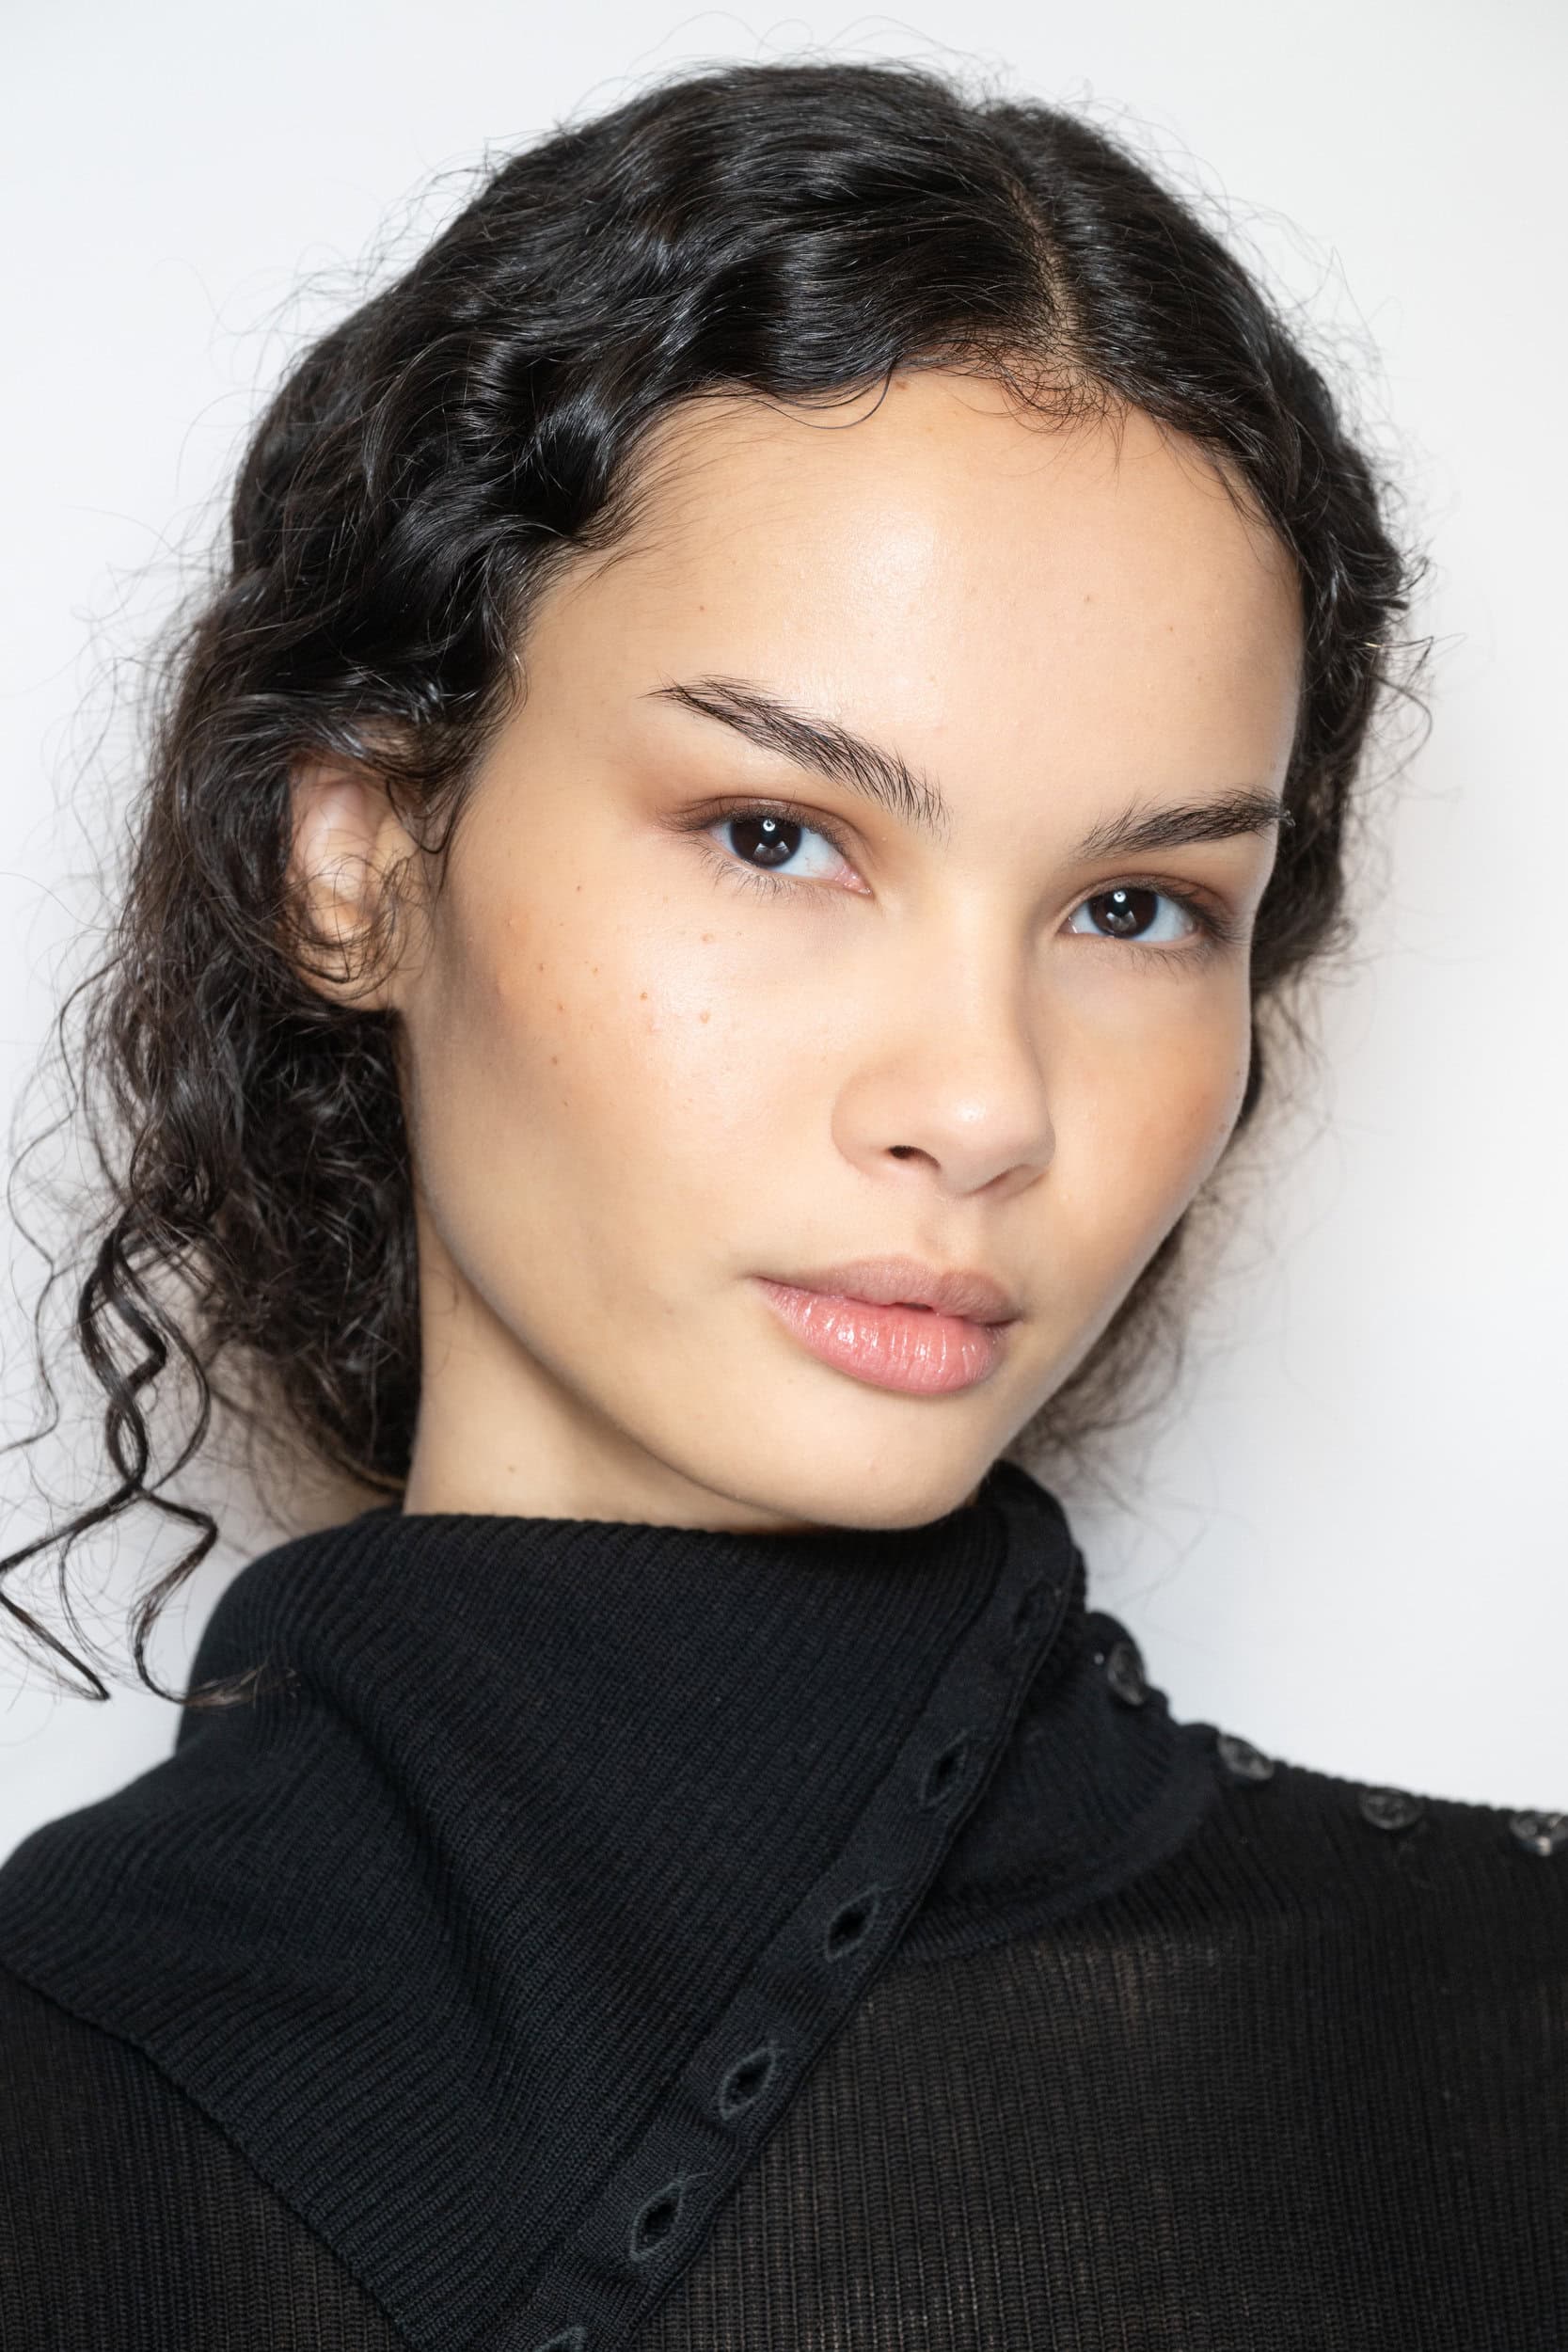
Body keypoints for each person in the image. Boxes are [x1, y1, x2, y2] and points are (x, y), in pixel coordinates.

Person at [0, 55, 1560, 2352]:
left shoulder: (1510, 2041)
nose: (983, 1100)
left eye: (1135, 906)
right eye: (776, 835)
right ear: (357, 858)